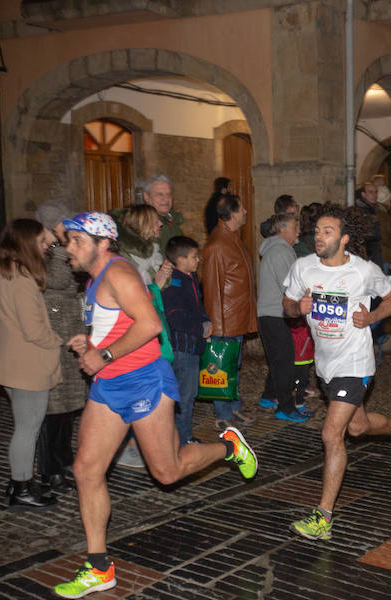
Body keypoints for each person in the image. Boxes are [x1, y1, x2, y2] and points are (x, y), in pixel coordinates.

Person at [54, 212, 257, 599]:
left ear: (102, 242)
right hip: (110, 385)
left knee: (166, 471)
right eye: (69, 241)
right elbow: (116, 324)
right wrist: (91, 345)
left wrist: (105, 354)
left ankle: (230, 447)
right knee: (85, 469)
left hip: (144, 381)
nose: (70, 248)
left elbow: (149, 324)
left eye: (77, 241)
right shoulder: (97, 279)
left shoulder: (118, 273)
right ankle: (99, 567)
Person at [284, 202, 391, 541]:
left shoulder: (363, 271)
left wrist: (372, 318)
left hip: (356, 363)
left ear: (344, 239)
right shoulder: (303, 267)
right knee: (357, 428)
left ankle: (323, 517)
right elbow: (286, 304)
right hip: (326, 366)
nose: (319, 237)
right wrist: (296, 308)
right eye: (316, 231)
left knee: (332, 434)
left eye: (327, 232)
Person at [0, 218, 62, 510]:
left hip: (10, 360)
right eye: (42, 242)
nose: (46, 248)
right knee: (27, 428)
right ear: (26, 242)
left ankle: (19, 483)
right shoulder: (21, 279)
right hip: (28, 364)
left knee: (25, 427)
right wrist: (59, 340)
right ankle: (20, 487)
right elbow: (34, 331)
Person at [115, 204, 173, 468]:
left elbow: (152, 293)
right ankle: (128, 444)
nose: (160, 225)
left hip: (153, 324)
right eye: (155, 221)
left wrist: (160, 280)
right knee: (135, 386)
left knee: (153, 387)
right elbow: (133, 299)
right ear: (142, 224)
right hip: (132, 331)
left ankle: (148, 442)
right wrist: (156, 285)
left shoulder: (152, 251)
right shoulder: (125, 259)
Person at [34, 200, 86, 494]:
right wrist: (58, 249)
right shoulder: (43, 253)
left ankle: (65, 458)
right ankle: (49, 469)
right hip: (53, 335)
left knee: (67, 406)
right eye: (64, 224)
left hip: (69, 331)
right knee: (52, 408)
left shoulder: (60, 250)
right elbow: (59, 279)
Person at [202, 194, 258, 430]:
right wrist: (217, 327)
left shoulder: (233, 239)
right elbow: (212, 288)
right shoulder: (218, 245)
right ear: (233, 214)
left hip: (235, 316)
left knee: (233, 366)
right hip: (225, 320)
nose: (246, 211)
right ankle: (223, 414)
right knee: (223, 366)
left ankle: (233, 408)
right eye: (242, 208)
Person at [161, 236, 212, 445]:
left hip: (192, 344)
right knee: (185, 396)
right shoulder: (175, 284)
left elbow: (196, 308)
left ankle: (181, 436)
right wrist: (199, 329)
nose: (198, 259)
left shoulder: (189, 279)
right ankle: (182, 440)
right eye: (193, 256)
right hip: (183, 347)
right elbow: (176, 316)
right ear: (180, 260)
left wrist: (205, 321)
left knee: (187, 395)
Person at [257, 213, 306, 422]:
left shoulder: (278, 249)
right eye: (295, 226)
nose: (299, 230)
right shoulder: (280, 251)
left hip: (271, 313)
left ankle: (269, 396)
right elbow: (289, 286)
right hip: (275, 314)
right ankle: (285, 407)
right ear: (283, 229)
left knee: (278, 360)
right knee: (285, 362)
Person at [142, 174, 184, 252]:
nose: (166, 198)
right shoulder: (143, 224)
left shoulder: (177, 220)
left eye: (169, 194)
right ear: (146, 197)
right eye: (159, 194)